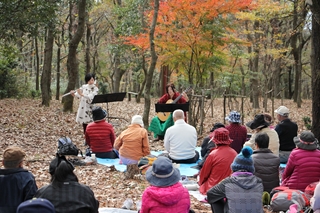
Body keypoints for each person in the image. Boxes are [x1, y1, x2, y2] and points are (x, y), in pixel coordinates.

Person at [207, 146, 264, 213]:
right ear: (251, 169)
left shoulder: (228, 182)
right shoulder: (259, 182)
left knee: (215, 198)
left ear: (234, 167)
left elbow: (210, 194)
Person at [199, 128, 237, 195]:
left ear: (215, 141)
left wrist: (200, 183)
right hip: (230, 188)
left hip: (213, 188)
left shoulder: (213, 154)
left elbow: (204, 173)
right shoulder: (235, 153)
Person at [0, 146, 38, 213]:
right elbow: (31, 203)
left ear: (3, 162)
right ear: (20, 164)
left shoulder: (27, 178)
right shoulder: (27, 178)